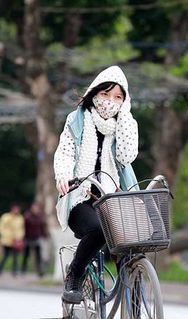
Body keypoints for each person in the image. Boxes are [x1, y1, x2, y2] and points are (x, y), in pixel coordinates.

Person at [54, 65, 139, 304]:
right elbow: (65, 152)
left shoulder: (124, 125)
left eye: (118, 97)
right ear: (94, 93)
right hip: (81, 197)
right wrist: (63, 175)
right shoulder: (77, 119)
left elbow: (126, 157)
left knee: (133, 255)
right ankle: (75, 274)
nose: (110, 101)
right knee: (99, 229)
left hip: (112, 199)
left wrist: (125, 117)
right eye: (105, 94)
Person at [0, 203, 25, 276]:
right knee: (6, 255)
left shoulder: (20, 218)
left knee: (15, 257)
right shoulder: (6, 217)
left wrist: (20, 238)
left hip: (16, 240)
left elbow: (21, 229)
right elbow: (0, 227)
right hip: (7, 240)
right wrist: (5, 234)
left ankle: (14, 271)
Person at [21, 202, 48, 277]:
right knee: (26, 255)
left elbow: (42, 227)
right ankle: (23, 270)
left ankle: (40, 271)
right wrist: (23, 238)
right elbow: (24, 228)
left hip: (37, 238)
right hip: (28, 238)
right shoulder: (27, 217)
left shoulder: (39, 217)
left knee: (38, 256)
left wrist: (44, 235)